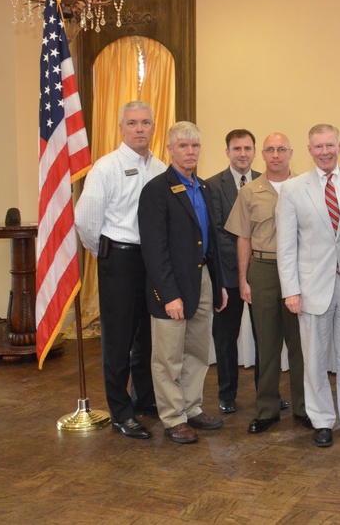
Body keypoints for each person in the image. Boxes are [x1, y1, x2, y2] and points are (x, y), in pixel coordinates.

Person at [75, 101, 166, 440]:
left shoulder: (160, 168)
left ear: (154, 127)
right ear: (121, 128)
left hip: (152, 262)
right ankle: (120, 411)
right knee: (118, 339)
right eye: (132, 123)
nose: (139, 128)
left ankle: (145, 400)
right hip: (120, 259)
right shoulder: (106, 167)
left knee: (146, 335)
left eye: (145, 122)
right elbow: (86, 220)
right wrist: (107, 253)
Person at [277, 124, 340, 449]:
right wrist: (291, 290)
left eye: (330, 145)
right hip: (312, 288)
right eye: (318, 147)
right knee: (313, 359)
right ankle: (321, 421)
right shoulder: (292, 189)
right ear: (309, 150)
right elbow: (286, 246)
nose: (325, 151)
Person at [138, 121, 225, 444]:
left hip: (201, 280)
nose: (190, 152)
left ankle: (192, 407)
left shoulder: (203, 188)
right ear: (170, 149)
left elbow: (210, 241)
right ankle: (173, 417)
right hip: (171, 285)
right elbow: (154, 250)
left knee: (198, 351)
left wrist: (218, 285)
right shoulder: (156, 190)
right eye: (183, 146)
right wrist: (169, 295)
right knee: (168, 356)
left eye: (195, 146)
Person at [225, 133, 311, 436]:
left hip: (298, 272)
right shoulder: (250, 191)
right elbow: (243, 238)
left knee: (300, 346)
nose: (276, 155)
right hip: (262, 269)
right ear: (263, 154)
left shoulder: (305, 186)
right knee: (267, 345)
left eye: (282, 150)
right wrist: (244, 280)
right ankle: (267, 409)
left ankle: (304, 408)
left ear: (291, 152)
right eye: (271, 150)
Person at [205, 129, 260, 415]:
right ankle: (227, 394)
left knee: (265, 336)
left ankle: (267, 393)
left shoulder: (266, 182)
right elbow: (216, 232)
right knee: (225, 338)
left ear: (254, 151)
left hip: (262, 274)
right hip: (227, 275)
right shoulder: (213, 186)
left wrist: (256, 261)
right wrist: (242, 260)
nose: (242, 154)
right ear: (227, 152)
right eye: (237, 149)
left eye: (248, 148)